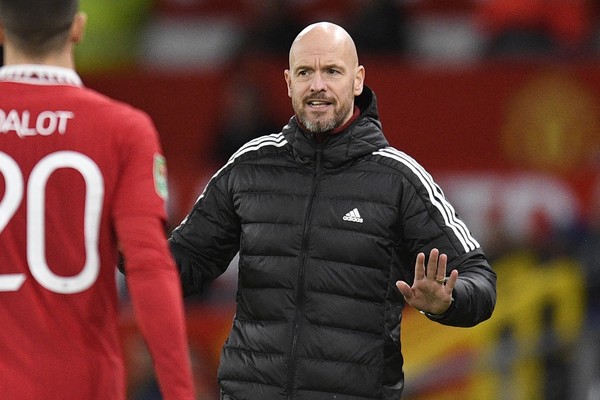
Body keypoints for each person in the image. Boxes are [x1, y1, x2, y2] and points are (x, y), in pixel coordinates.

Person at [169, 21, 497, 400]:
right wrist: (124, 238)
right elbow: (183, 262)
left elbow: (480, 279)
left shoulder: (399, 179)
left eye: (332, 71)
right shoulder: (248, 167)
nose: (318, 85)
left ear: (357, 81)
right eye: (306, 72)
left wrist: (448, 303)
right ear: (289, 82)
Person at [0, 1, 195, 399]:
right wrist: (179, 392)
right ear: (78, 28)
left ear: (1, 30)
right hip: (80, 383)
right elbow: (149, 266)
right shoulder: (123, 129)